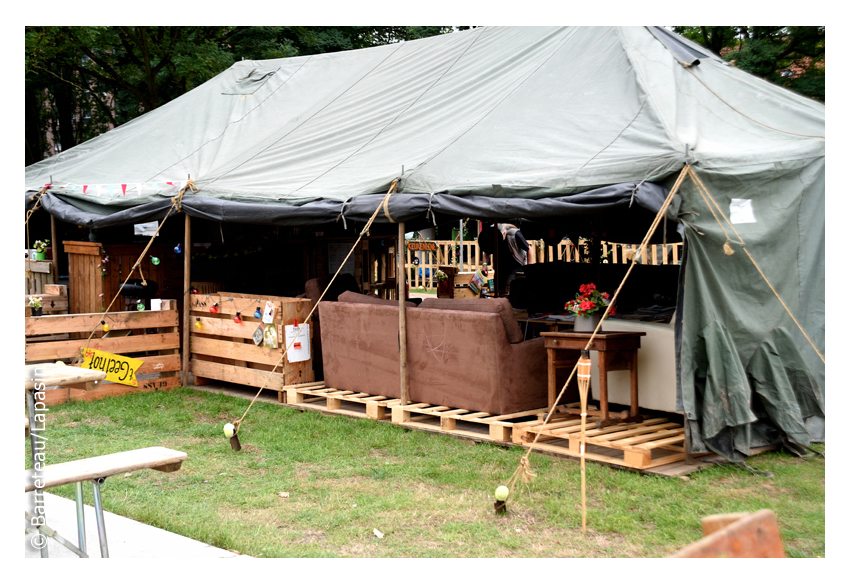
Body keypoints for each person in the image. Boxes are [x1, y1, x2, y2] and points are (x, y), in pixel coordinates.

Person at [477, 223, 529, 292]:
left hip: (516, 264)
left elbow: (529, 249)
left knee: (510, 286)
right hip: (501, 266)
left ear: (504, 234)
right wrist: (484, 264)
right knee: (498, 288)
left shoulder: (514, 234)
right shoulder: (491, 232)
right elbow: (487, 252)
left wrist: (528, 269)